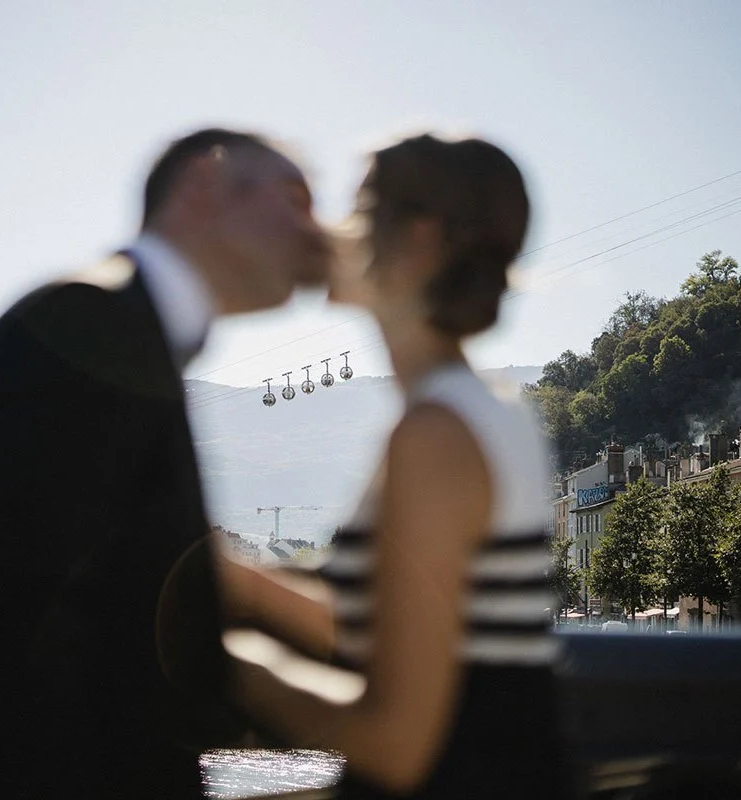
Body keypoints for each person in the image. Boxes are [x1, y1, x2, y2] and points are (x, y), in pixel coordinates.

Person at [0, 128, 330, 799]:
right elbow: (17, 638)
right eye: (295, 199)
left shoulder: (112, 324)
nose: (318, 232)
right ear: (205, 180)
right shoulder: (87, 326)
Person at [216, 133, 571, 798]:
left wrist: (245, 669)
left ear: (418, 239)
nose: (331, 231)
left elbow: (397, 746)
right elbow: (401, 629)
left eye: (358, 210)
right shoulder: (483, 407)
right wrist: (241, 584)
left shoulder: (435, 436)